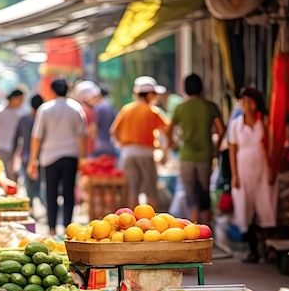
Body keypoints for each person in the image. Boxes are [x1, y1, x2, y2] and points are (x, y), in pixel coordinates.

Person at [28, 79, 87, 236]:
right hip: (71, 155)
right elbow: (81, 135)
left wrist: (33, 159)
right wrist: (82, 157)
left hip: (50, 156)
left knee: (51, 192)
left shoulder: (45, 109)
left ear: (52, 91)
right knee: (69, 192)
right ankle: (69, 228)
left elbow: (36, 136)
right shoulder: (76, 108)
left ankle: (52, 228)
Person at [168, 73, 226, 224]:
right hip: (205, 155)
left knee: (190, 194)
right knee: (204, 192)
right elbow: (221, 130)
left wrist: (172, 143)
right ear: (201, 87)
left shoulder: (180, 108)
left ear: (185, 89)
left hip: (186, 156)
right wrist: (217, 148)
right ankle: (206, 228)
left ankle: (193, 227)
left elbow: (168, 130)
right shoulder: (210, 106)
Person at [229, 87, 276, 263]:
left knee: (266, 206)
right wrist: (234, 175)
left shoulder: (264, 122)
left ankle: (267, 248)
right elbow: (232, 150)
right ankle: (253, 250)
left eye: (250, 101)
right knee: (244, 208)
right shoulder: (236, 125)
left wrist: (272, 170)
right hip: (243, 170)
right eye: (244, 101)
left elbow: (271, 148)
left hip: (263, 169)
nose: (247, 105)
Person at [110, 76, 171, 209]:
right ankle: (151, 222)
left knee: (132, 190)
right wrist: (166, 151)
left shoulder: (126, 109)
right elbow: (167, 130)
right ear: (149, 94)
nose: (156, 97)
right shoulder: (152, 111)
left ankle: (133, 224)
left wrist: (122, 144)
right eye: (154, 94)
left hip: (127, 154)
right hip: (146, 154)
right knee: (150, 190)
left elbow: (113, 131)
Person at [13, 94, 44, 202]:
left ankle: (32, 204)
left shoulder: (24, 119)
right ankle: (38, 204)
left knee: (29, 183)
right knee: (39, 183)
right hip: (41, 156)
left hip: (27, 156)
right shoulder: (43, 118)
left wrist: (13, 156)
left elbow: (16, 138)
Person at [75, 81, 116, 157]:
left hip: (98, 147)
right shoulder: (108, 104)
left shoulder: (97, 108)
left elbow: (93, 131)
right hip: (110, 145)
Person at [0, 89, 25, 180]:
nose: (21, 102)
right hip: (2, 147)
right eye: (20, 99)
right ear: (14, 98)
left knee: (15, 174)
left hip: (18, 149)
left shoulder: (22, 113)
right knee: (3, 174)